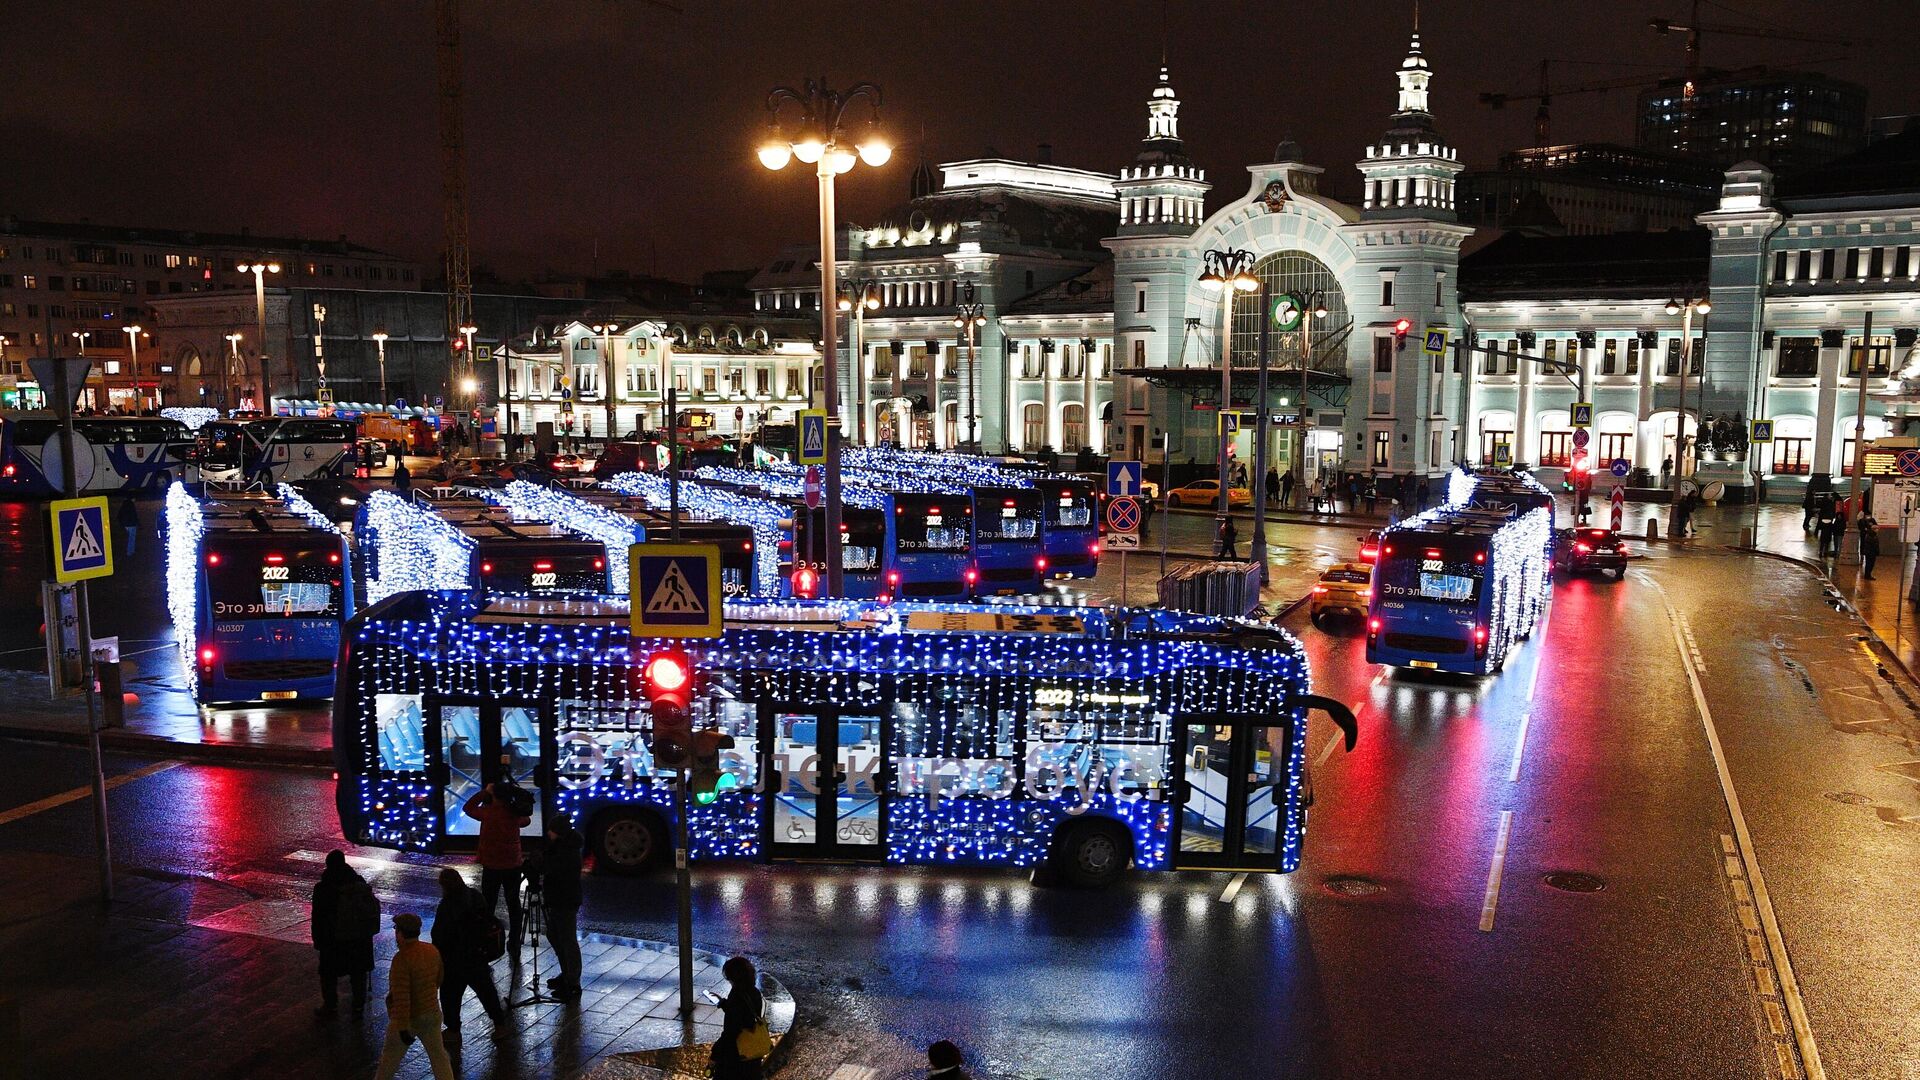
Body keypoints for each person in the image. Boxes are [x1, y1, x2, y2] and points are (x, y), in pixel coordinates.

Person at [373, 914, 455, 1080]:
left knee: (389, 1062)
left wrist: (402, 1027)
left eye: (396, 930)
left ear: (401, 933)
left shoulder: (401, 959)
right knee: (439, 1057)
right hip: (432, 1012)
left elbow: (402, 997)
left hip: (409, 1019)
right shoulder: (431, 950)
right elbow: (439, 979)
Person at [432, 868, 507, 1039]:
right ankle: (500, 1024)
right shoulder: (475, 896)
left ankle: (453, 1030)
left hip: (454, 959)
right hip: (477, 955)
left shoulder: (447, 905)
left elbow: (439, 934)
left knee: (450, 996)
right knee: (487, 992)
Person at [310, 849, 379, 1018]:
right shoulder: (359, 883)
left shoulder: (323, 888)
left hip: (333, 939)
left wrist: (318, 940)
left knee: (328, 974)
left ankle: (330, 1006)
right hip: (358, 939)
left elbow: (318, 917)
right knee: (358, 974)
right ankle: (358, 1007)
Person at [465, 783, 531, 953]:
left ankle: (489, 937)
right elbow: (527, 820)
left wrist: (483, 793)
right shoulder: (513, 813)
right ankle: (514, 941)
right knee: (513, 903)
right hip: (513, 865)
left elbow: (468, 808)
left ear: (493, 795)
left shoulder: (487, 813)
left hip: (492, 865)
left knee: (488, 904)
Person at [540, 817, 585, 998]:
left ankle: (572, 982)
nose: (548, 833)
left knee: (567, 940)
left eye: (551, 830)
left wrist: (541, 862)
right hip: (559, 898)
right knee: (555, 935)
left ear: (558, 832)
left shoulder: (567, 852)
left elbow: (552, 870)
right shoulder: (563, 847)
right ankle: (567, 974)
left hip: (564, 899)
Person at [710, 956, 769, 1080]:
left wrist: (715, 1054)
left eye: (729, 978)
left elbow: (731, 1032)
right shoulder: (754, 992)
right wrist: (725, 1004)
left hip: (737, 1056)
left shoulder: (736, 996)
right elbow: (744, 1015)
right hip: (752, 1054)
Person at [1859, 510, 1882, 579]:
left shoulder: (1872, 521)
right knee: (1869, 563)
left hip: (1871, 552)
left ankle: (1868, 575)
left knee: (1870, 564)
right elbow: (1862, 528)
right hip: (1870, 552)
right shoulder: (1870, 535)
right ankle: (1867, 575)